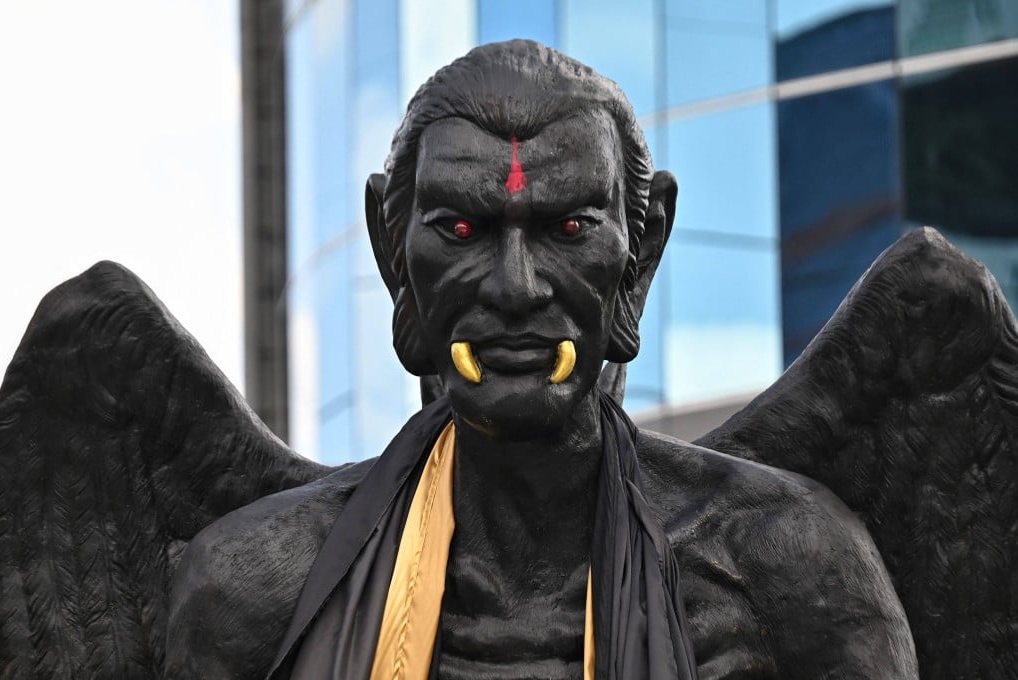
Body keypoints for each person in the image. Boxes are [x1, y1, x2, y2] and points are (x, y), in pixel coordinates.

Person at [166, 40, 917, 679]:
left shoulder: (786, 566)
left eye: (570, 228)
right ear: (395, 256)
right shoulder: (255, 589)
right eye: (462, 230)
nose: (516, 287)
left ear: (639, 255)